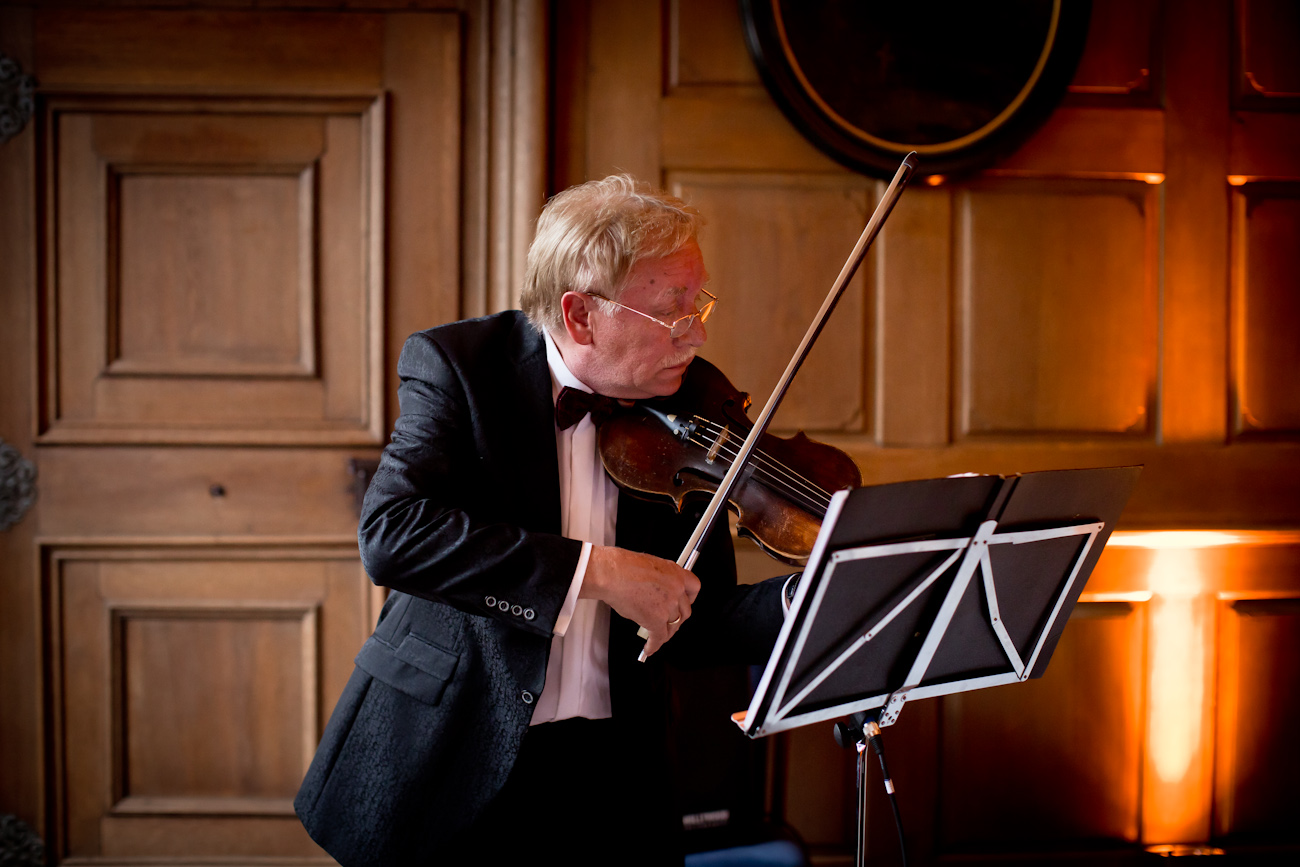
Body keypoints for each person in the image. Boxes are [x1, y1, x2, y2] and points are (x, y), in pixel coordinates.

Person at [294, 175, 788, 866]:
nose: (696, 334)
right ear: (581, 315)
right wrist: (597, 569)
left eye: (698, 300)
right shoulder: (460, 368)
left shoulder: (691, 408)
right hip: (457, 744)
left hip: (615, 771)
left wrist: (812, 595)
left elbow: (695, 615)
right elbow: (394, 534)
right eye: (674, 311)